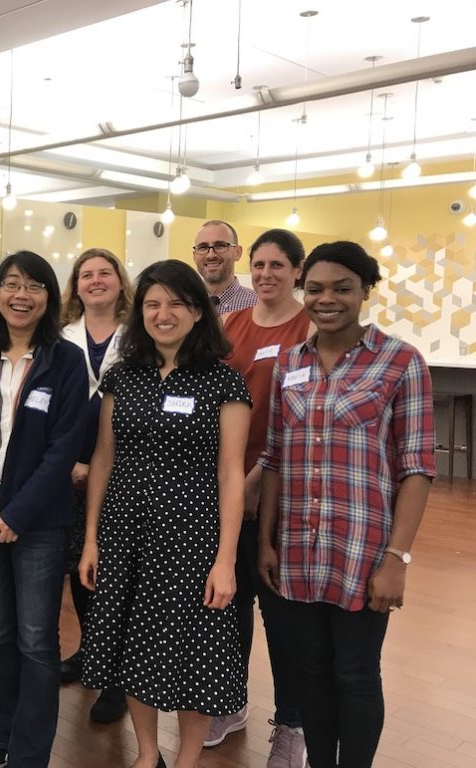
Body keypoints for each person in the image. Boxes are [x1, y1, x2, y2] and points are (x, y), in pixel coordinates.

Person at [258, 241, 435, 768]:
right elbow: (274, 456)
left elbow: (418, 469)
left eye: (342, 288)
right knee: (311, 667)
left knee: (355, 671)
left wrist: (397, 560)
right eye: (314, 288)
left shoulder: (401, 361)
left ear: (364, 292)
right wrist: (265, 541)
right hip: (296, 547)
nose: (326, 299)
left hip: (361, 550)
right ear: (302, 291)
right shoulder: (290, 362)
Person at [79, 259, 251, 768]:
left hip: (193, 539)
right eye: (153, 303)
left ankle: (188, 758)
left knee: (194, 653)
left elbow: (230, 475)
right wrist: (91, 538)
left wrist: (225, 560)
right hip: (126, 532)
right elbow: (103, 459)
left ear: (198, 312)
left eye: (176, 303)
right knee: (135, 648)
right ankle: (148, 753)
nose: (163, 313)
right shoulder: (121, 377)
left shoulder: (224, 383)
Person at [0, 250, 88, 768]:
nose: (20, 295)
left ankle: (31, 753)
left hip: (39, 522)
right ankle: (1, 739)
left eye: (33, 285)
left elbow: (64, 447)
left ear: (49, 296)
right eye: (10, 284)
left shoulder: (66, 361)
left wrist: (17, 514)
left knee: (35, 638)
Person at [208, 229, 312, 765]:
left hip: (279, 491)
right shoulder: (234, 324)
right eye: (260, 264)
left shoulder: (309, 327)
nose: (266, 274)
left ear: (297, 271)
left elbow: (297, 417)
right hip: (229, 485)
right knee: (230, 604)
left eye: (278, 265)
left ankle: (291, 722)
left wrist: (254, 480)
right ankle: (229, 702)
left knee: (279, 611)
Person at [57, 247, 131, 724]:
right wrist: (69, 463)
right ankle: (90, 651)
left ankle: (120, 675)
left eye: (106, 273)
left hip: (121, 467)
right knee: (79, 569)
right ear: (76, 285)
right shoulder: (59, 335)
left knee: (118, 572)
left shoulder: (139, 335)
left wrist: (99, 463)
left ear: (121, 282)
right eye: (87, 274)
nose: (96, 280)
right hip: (65, 470)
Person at [192, 220, 257, 315]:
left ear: (237, 252)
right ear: (194, 256)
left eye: (220, 246)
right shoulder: (186, 304)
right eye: (203, 247)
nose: (210, 255)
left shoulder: (257, 305)